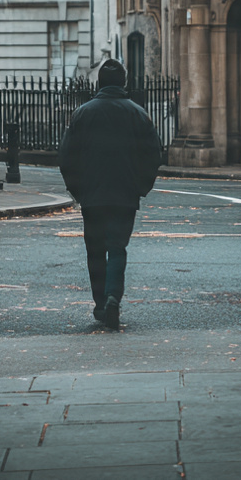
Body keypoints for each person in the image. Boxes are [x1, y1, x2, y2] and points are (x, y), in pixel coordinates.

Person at [58, 58, 161, 329]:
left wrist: (78, 190)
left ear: (99, 83)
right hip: (125, 195)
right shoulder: (138, 114)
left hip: (92, 196)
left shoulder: (82, 114)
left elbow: (66, 157)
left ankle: (101, 304)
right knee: (117, 248)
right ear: (124, 83)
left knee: (94, 251)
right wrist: (141, 187)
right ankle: (114, 296)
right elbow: (153, 153)